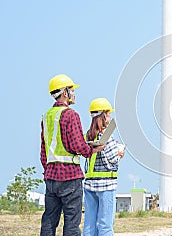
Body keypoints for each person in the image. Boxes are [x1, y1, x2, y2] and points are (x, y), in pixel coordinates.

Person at [40, 74, 105, 236]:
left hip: (51, 178)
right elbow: (77, 145)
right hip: (70, 178)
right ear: (64, 93)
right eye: (72, 90)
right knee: (71, 221)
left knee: (49, 219)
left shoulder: (46, 116)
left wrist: (48, 171)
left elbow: (44, 149)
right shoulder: (71, 115)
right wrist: (92, 150)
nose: (74, 94)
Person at [83, 98, 125, 236]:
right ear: (104, 115)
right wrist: (119, 153)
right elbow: (113, 158)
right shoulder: (107, 136)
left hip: (90, 185)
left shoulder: (88, 135)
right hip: (106, 185)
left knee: (89, 223)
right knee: (105, 225)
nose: (110, 117)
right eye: (108, 113)